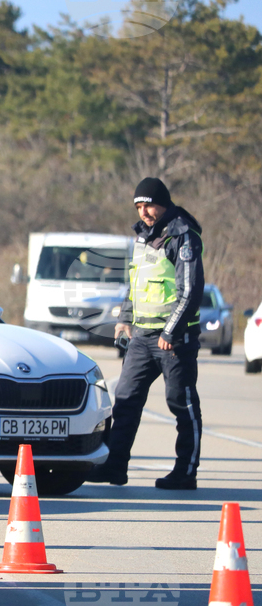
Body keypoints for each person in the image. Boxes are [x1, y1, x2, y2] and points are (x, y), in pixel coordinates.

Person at [87, 177, 204, 490]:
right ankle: (114, 466)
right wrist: (125, 319)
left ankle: (185, 472)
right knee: (124, 400)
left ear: (163, 203)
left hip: (174, 339)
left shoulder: (182, 234)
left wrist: (171, 330)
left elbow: (191, 291)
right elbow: (136, 283)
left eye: (148, 204)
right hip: (141, 336)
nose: (144, 211)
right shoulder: (141, 236)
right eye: (139, 206)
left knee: (181, 403)